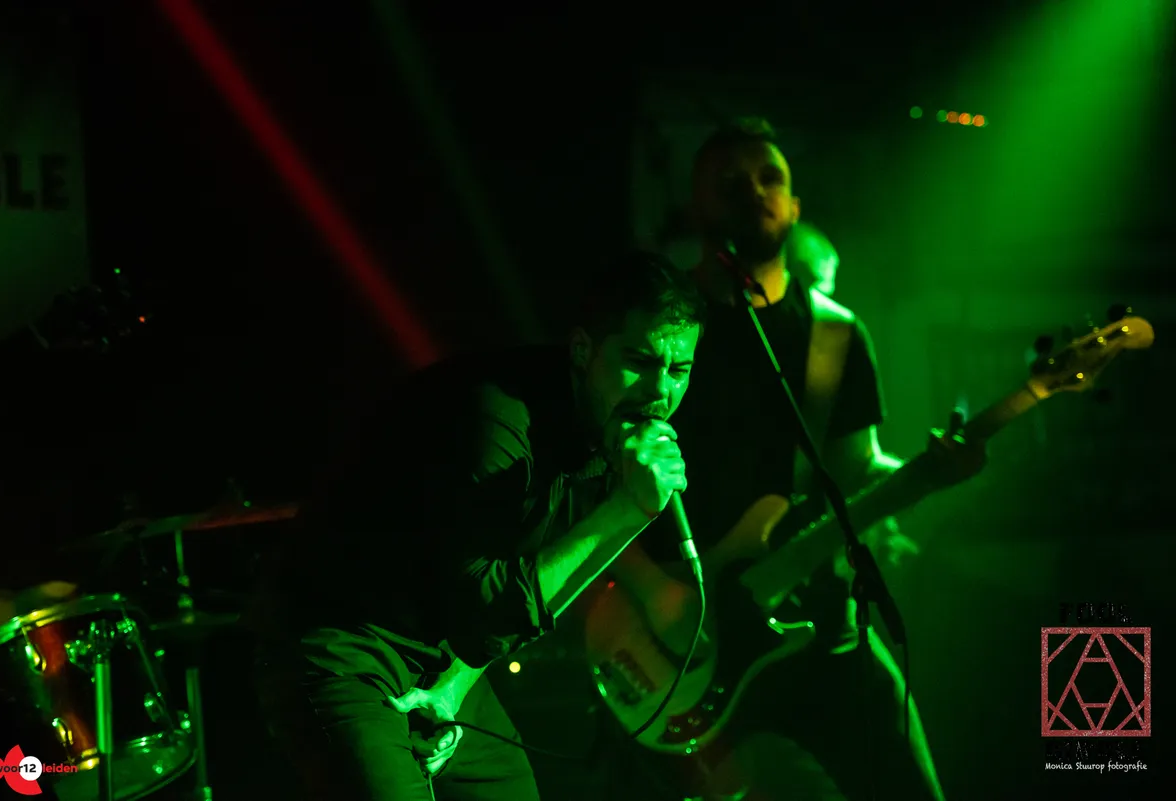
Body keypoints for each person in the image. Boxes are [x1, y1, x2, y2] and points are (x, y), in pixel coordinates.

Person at [602, 118, 987, 800]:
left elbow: (857, 467)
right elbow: (599, 471)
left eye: (769, 177)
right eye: (730, 181)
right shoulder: (661, 328)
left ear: (795, 205)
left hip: (821, 623)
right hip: (677, 635)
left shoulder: (837, 334)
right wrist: (653, 595)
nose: (754, 190)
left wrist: (933, 471)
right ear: (696, 207)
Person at [249, 251, 707, 801]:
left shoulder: (609, 429)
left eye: (679, 370)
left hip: (441, 655)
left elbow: (544, 590)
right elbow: (486, 606)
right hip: (342, 643)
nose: (660, 392)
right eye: (639, 361)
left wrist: (453, 687)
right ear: (584, 349)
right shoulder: (497, 419)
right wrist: (630, 508)